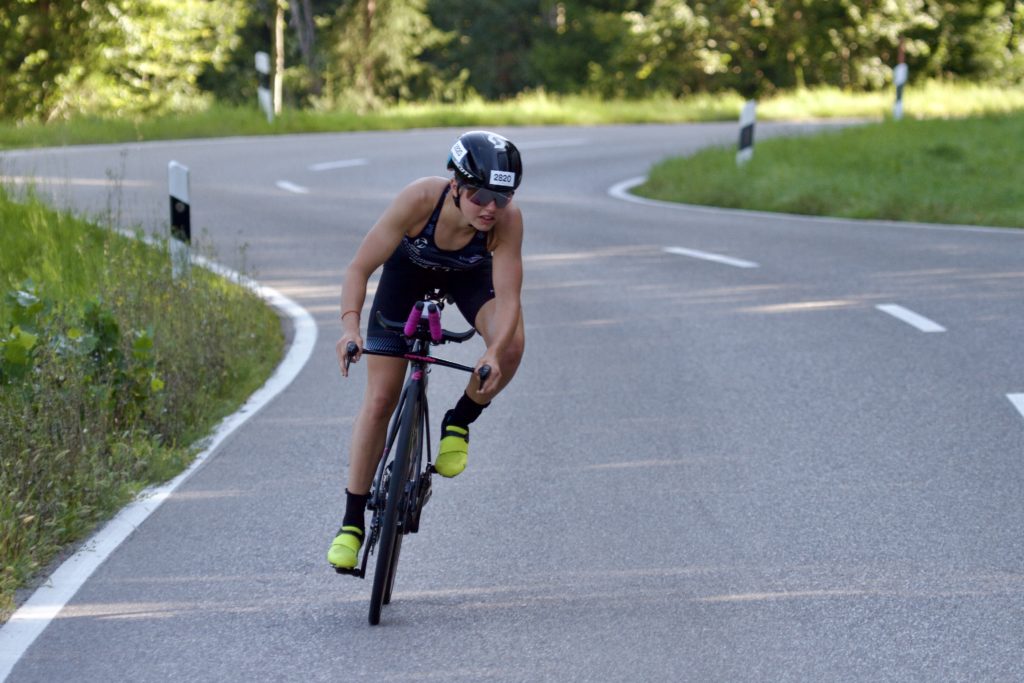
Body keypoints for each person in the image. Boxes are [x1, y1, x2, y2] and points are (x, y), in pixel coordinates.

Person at [327, 131, 526, 570]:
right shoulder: (419, 200)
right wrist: (349, 328)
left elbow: (509, 299)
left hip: (470, 278)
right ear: (455, 184)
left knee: (512, 345)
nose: (490, 208)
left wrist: (493, 353)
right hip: (407, 275)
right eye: (479, 195)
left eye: (502, 197)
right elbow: (359, 268)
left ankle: (459, 420)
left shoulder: (507, 222)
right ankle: (352, 522)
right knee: (380, 400)